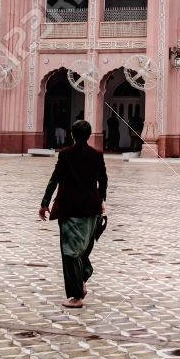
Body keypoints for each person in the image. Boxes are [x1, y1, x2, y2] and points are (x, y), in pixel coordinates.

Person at [38, 119, 108, 308]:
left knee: (70, 253)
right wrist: (101, 201)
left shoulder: (66, 155)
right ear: (89, 135)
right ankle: (82, 278)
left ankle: (76, 296)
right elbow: (103, 181)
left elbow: (54, 180)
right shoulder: (96, 155)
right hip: (91, 211)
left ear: (72, 134)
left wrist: (45, 203)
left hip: (69, 210)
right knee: (83, 249)